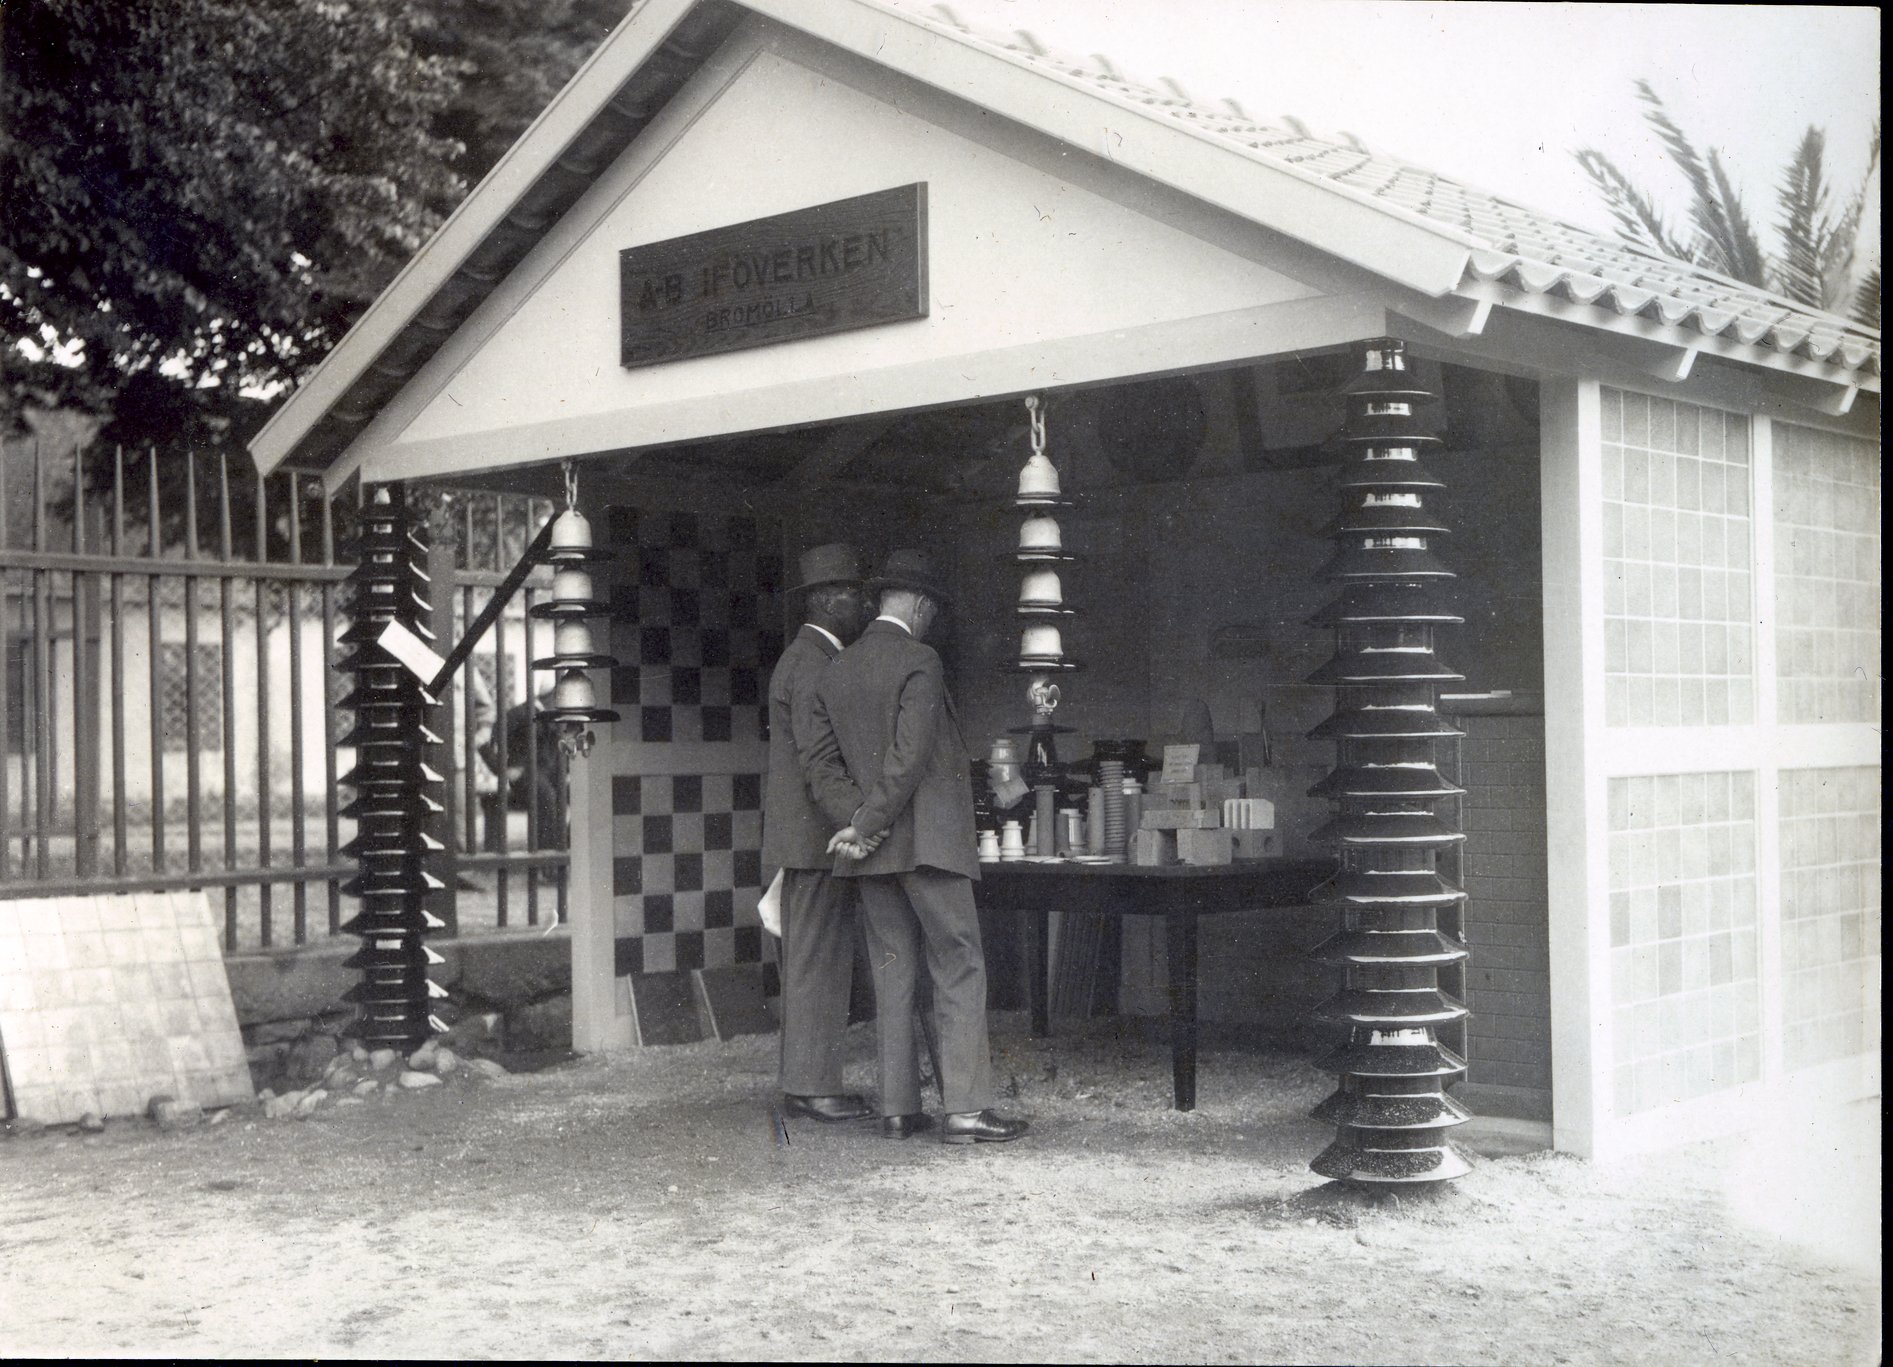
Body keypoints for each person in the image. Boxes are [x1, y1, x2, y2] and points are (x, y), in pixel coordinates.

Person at [807, 549, 1029, 1145]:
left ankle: (899, 1111)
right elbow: (908, 761)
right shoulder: (920, 660)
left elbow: (822, 766)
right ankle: (965, 1111)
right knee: (959, 963)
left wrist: (857, 824)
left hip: (871, 853)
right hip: (930, 843)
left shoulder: (835, 670)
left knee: (893, 971)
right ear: (921, 603)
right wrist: (872, 819)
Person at [762, 544, 877, 1124]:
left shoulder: (803, 658)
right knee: (818, 962)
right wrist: (860, 819)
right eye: (854, 593)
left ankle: (810, 1083)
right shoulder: (813, 666)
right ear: (829, 600)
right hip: (816, 839)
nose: (862, 603)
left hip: (806, 837)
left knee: (814, 960)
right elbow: (819, 762)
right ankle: (813, 1086)